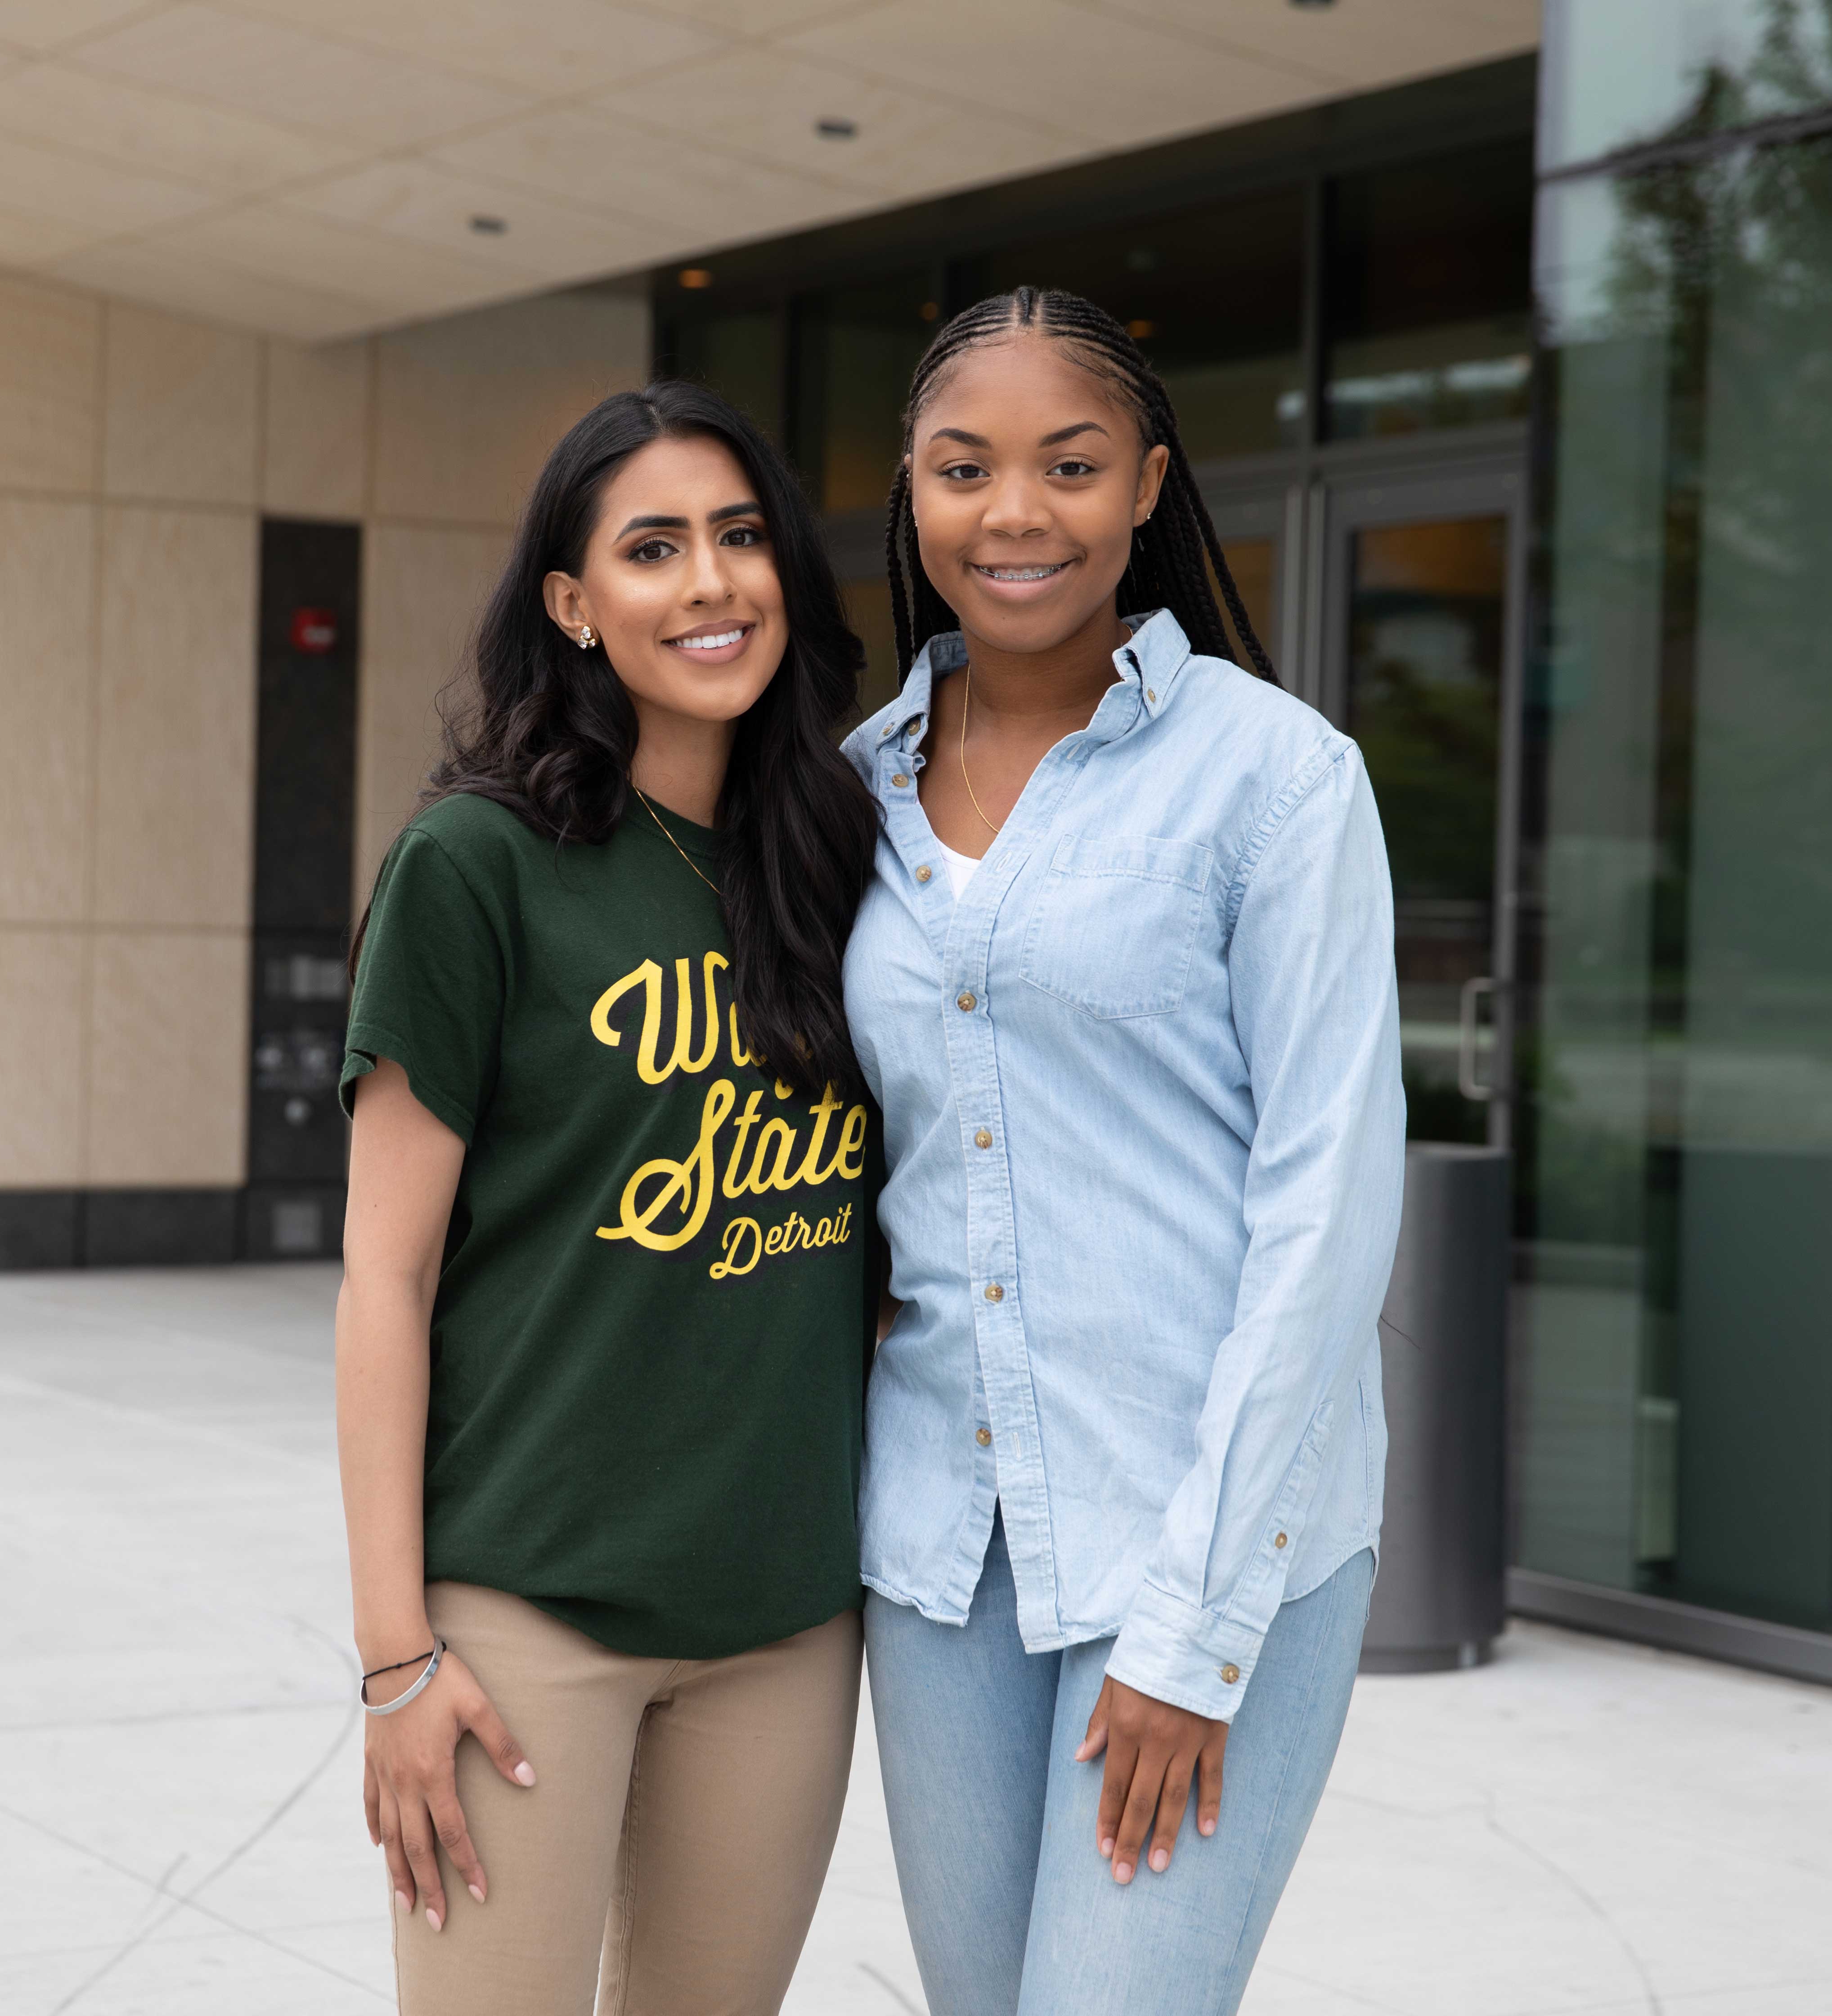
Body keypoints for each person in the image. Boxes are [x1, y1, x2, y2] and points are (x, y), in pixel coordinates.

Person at [841, 286, 1405, 2015]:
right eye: (966, 469)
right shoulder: (844, 790)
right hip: (943, 1551)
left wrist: (1193, 1632)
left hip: (1208, 1530)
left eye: (1068, 465)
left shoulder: (1277, 781)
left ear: (1147, 485)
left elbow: (1326, 1213)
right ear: (914, 496)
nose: (1015, 514)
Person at [334, 380, 883, 2016]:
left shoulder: (849, 859)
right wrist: (392, 1660)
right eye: (653, 549)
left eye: (739, 537)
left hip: (787, 1617)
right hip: (527, 1612)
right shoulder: (475, 868)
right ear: (573, 604)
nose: (711, 583)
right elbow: (385, 1282)